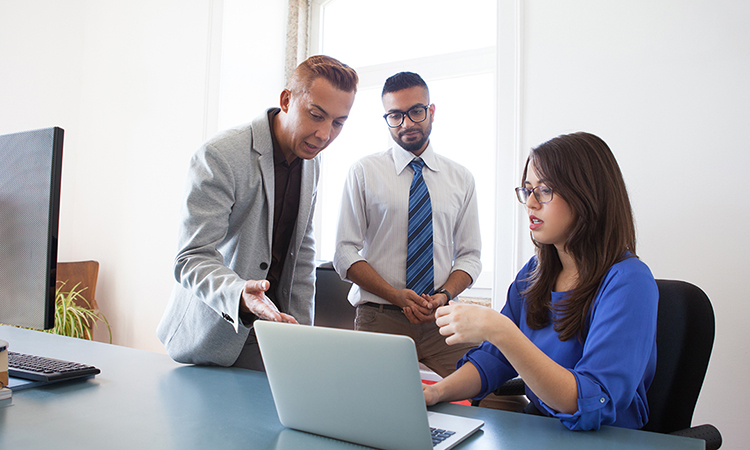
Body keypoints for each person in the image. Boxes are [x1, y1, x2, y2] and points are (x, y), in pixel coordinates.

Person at [422, 132, 658, 430]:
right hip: (544, 430)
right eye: (528, 190)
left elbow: (590, 402)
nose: (531, 203)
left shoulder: (630, 283)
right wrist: (436, 393)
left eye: (545, 190)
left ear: (587, 196)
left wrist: (500, 330)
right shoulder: (535, 272)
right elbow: (494, 360)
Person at [157, 55, 358, 370]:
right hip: (216, 332)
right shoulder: (220, 155)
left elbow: (302, 252)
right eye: (316, 115)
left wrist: (303, 337)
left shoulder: (312, 162)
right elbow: (191, 258)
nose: (324, 134)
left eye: (338, 123)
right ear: (286, 100)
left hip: (275, 333)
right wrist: (240, 294)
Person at [333, 71, 482, 378]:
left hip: (441, 317)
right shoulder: (364, 172)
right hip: (381, 317)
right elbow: (344, 253)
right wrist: (395, 295)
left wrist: (443, 296)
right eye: (395, 116)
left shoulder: (461, 178)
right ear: (386, 118)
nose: (407, 124)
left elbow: (470, 256)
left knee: (488, 391)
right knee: (375, 402)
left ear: (431, 111)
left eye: (416, 111)